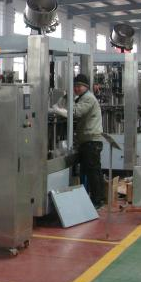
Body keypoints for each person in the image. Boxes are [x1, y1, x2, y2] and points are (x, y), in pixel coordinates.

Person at [50, 74, 105, 206]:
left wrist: (57, 110)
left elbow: (75, 112)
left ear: (86, 87)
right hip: (86, 140)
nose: (77, 88)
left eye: (79, 86)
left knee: (93, 171)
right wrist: (65, 98)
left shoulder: (88, 98)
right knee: (92, 171)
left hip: (91, 141)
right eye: (75, 86)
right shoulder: (82, 97)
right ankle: (96, 198)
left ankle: (97, 200)